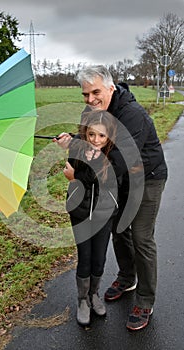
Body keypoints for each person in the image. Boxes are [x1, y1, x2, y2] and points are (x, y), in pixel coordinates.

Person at [55, 65, 167, 331]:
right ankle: (128, 278)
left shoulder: (132, 115)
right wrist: (72, 142)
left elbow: (115, 165)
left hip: (146, 176)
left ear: (111, 88)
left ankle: (145, 301)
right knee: (119, 229)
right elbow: (85, 145)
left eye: (96, 92)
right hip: (117, 177)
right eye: (85, 94)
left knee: (141, 236)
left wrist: (76, 178)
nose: (90, 99)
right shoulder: (91, 111)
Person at [64, 110, 118, 326]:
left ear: (109, 137)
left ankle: (94, 294)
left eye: (102, 136)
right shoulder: (77, 148)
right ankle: (82, 300)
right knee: (84, 258)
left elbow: (97, 178)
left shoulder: (114, 156)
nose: (96, 140)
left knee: (99, 258)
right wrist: (71, 141)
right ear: (85, 134)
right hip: (80, 213)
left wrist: (79, 174)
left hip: (103, 215)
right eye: (91, 135)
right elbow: (71, 170)